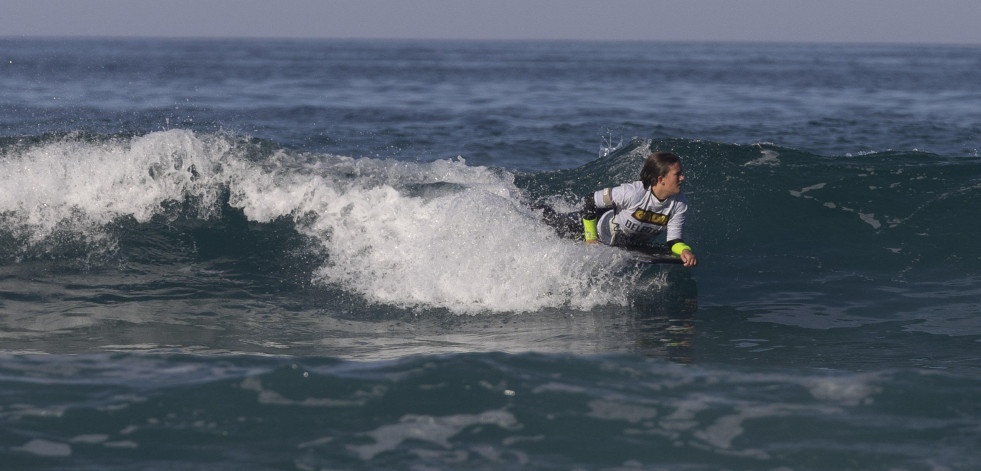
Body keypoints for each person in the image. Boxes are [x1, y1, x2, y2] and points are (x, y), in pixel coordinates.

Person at [581, 151, 697, 267]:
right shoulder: (633, 193)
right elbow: (590, 201)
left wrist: (684, 251)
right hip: (595, 230)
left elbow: (674, 241)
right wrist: (591, 238)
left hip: (630, 245)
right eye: (677, 174)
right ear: (661, 180)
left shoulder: (679, 203)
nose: (682, 178)